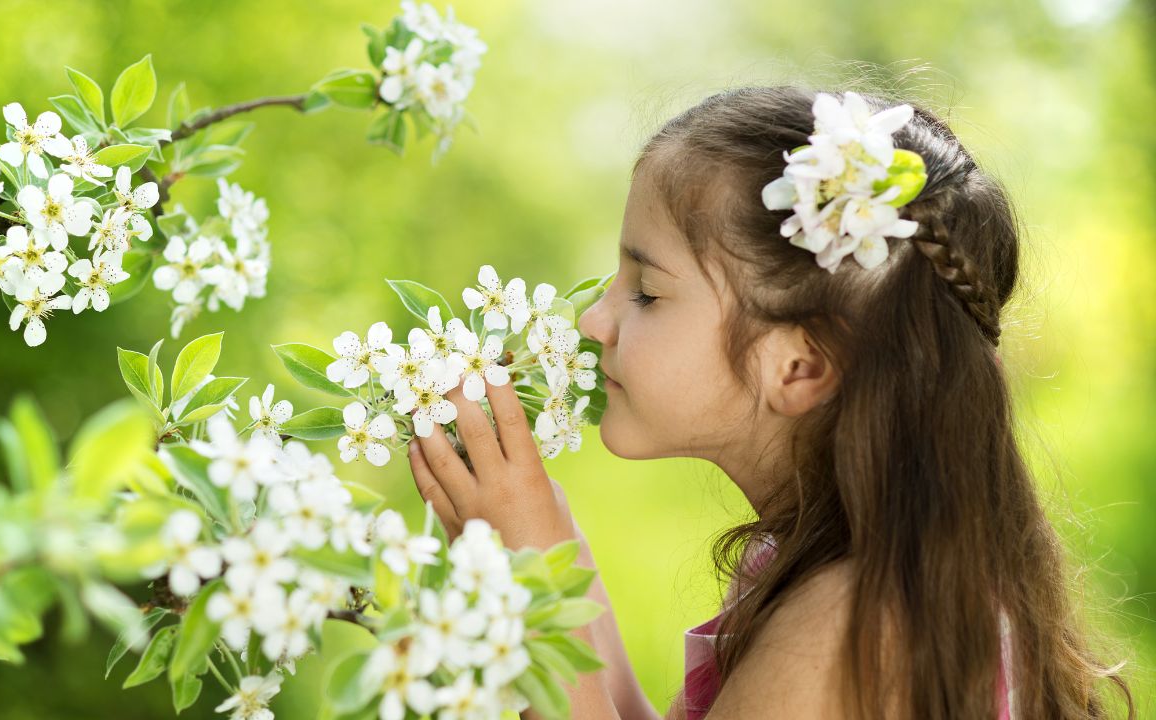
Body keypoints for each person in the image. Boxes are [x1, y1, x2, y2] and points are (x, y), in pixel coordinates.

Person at [404, 85, 1136, 719]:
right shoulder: (836, 573)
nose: (596, 321)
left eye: (648, 292)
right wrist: (551, 547)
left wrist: (524, 593)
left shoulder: (854, 625)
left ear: (798, 366)